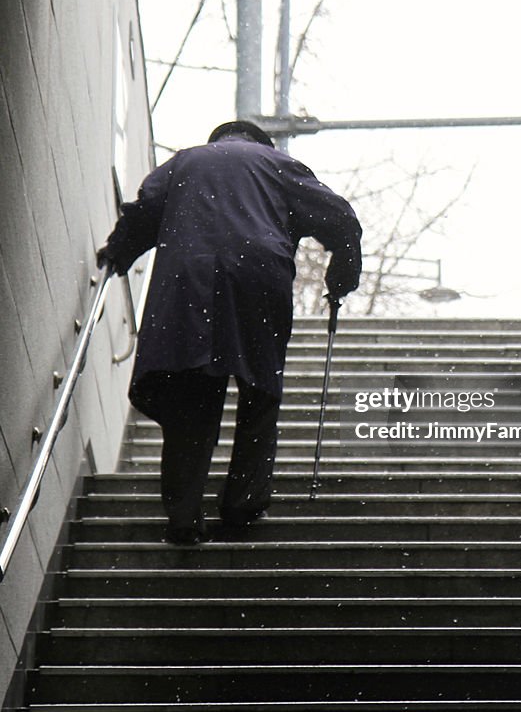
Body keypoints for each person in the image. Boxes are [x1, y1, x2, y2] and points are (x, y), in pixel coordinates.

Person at [98, 121, 362, 544]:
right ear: (261, 142)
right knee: (259, 391)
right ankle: (242, 501)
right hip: (258, 277)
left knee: (191, 395)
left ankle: (184, 517)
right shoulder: (278, 165)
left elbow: (144, 210)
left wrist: (118, 253)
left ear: (218, 139)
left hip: (188, 278)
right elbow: (341, 218)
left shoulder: (185, 161)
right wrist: (341, 279)